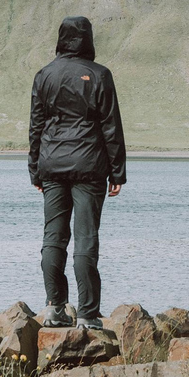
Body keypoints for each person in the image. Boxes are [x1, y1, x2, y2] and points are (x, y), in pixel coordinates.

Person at [28, 16, 126, 329]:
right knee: (86, 238)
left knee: (53, 238)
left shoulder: (44, 75)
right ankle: (87, 314)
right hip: (90, 167)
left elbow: (36, 128)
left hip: (52, 166)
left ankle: (55, 307)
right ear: (89, 40)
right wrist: (117, 173)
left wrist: (35, 171)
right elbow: (111, 127)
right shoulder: (100, 75)